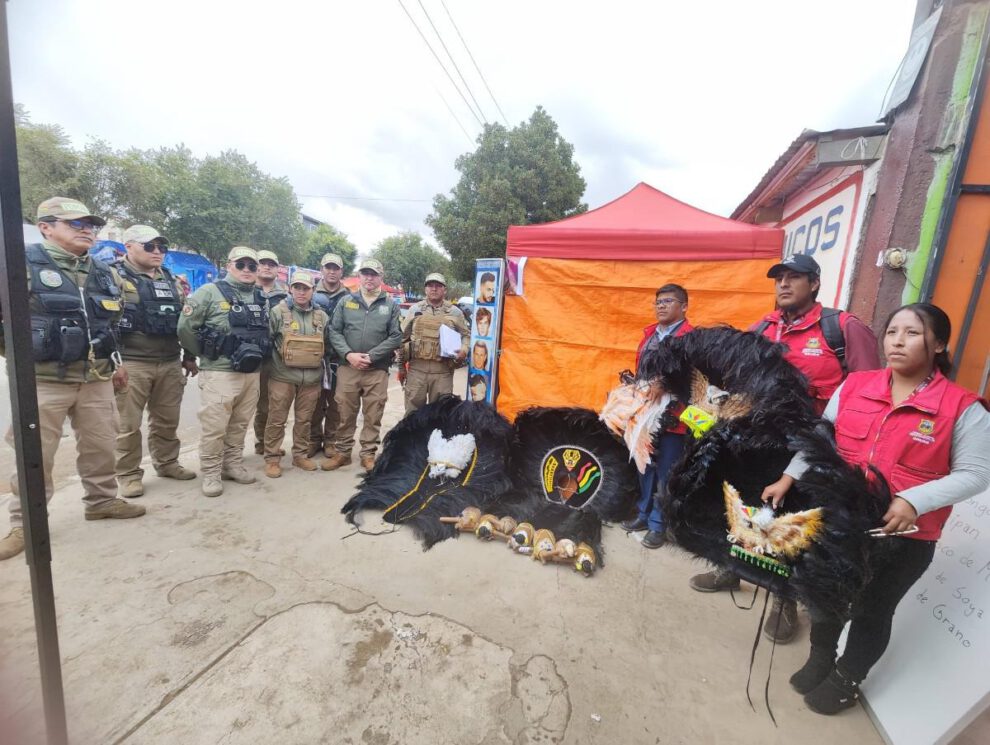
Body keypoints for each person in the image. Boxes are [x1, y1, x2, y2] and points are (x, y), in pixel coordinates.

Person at [769, 303, 989, 714]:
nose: (898, 341)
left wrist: (914, 500)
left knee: (873, 608)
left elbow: (978, 473)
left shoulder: (963, 408)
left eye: (912, 333)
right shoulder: (855, 386)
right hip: (840, 520)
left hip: (903, 537)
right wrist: (789, 477)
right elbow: (823, 437)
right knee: (825, 594)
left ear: (939, 344)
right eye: (892, 332)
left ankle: (847, 677)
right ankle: (821, 656)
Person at [689, 254, 882, 643]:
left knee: (792, 521)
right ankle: (731, 570)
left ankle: (784, 599)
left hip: (808, 445)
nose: (784, 285)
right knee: (740, 507)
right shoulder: (764, 326)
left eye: (794, 278)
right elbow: (733, 370)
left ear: (814, 283)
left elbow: (869, 390)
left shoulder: (841, 329)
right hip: (755, 440)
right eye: (780, 279)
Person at [0, 198, 143, 561]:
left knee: (100, 445)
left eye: (90, 224)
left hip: (95, 377)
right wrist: (23, 356)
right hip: (42, 379)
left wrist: (117, 362)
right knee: (36, 455)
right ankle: (25, 523)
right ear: (45, 226)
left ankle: (101, 501)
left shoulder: (104, 272)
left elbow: (111, 325)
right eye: (74, 223)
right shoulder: (21, 265)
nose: (86, 230)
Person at [177, 246, 271, 497]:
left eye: (252, 266)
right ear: (229, 265)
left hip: (251, 373)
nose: (247, 270)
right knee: (215, 427)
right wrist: (206, 354)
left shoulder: (260, 296)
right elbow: (186, 328)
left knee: (240, 424)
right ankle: (210, 472)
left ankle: (232, 464)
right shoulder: (209, 292)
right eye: (241, 265)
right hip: (220, 373)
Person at [113, 225, 198, 498]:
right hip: (132, 361)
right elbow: (103, 323)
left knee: (166, 420)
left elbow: (186, 323)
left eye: (162, 247)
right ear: (129, 246)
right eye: (149, 246)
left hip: (170, 360)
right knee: (127, 425)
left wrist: (190, 357)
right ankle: (128, 474)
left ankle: (167, 463)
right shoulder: (112, 277)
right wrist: (113, 363)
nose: (157, 252)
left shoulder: (173, 282)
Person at [623, 284, 694, 549]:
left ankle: (658, 525)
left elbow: (698, 379)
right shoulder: (649, 335)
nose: (661, 306)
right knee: (645, 465)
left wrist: (668, 385)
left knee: (667, 471)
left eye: (668, 301)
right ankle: (642, 514)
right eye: (658, 302)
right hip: (645, 415)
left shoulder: (692, 338)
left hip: (675, 418)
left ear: (684, 306)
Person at [324, 259, 402, 472]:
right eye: (365, 273)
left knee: (373, 413)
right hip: (348, 368)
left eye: (373, 274)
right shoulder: (346, 301)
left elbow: (396, 336)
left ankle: (368, 454)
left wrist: (372, 355)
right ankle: (342, 452)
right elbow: (334, 331)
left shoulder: (390, 305)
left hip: (376, 370)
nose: (369, 278)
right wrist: (349, 355)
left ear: (380, 277)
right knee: (344, 412)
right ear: (359, 276)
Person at [262, 272, 328, 478]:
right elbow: (267, 341)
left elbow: (329, 344)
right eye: (297, 287)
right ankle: (272, 458)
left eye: (306, 288)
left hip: (311, 379)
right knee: (276, 419)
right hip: (282, 377)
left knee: (304, 420)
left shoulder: (322, 316)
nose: (301, 292)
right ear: (290, 289)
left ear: (313, 291)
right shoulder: (277, 312)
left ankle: (300, 455)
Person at [399, 272, 469, 414]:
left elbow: (466, 336)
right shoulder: (415, 309)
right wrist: (401, 367)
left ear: (445, 290)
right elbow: (403, 338)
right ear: (425, 289)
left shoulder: (455, 312)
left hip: (443, 372)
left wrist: (464, 350)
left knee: (441, 415)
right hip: (416, 371)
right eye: (430, 286)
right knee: (412, 415)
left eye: (438, 286)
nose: (434, 289)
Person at [309, 253, 350, 458]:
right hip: (314, 357)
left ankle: (331, 441)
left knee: (336, 403)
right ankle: (313, 440)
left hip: (338, 358)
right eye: (328, 267)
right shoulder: (309, 291)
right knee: (313, 402)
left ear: (341, 271)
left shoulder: (350, 297)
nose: (332, 272)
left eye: (336, 268)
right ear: (322, 269)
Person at [253, 250, 289, 455]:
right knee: (235, 407)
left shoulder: (284, 295)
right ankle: (229, 452)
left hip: (272, 359)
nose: (266, 267)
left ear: (277, 269)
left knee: (268, 405)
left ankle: (263, 443)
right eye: (262, 263)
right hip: (243, 357)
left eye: (271, 264)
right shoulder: (243, 289)